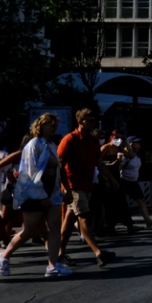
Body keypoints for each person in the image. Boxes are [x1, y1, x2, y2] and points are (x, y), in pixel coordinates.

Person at [0, 114, 70, 277]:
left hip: (53, 190)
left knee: (55, 226)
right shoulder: (33, 145)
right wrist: (41, 196)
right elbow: (30, 172)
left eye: (55, 125)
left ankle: (53, 265)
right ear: (41, 126)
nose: (54, 128)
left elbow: (57, 169)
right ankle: (4, 255)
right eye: (51, 125)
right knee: (29, 230)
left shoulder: (50, 144)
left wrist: (62, 191)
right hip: (33, 192)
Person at [57, 108, 118, 268]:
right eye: (89, 121)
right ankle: (98, 253)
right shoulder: (70, 139)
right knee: (84, 218)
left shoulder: (92, 141)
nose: (92, 124)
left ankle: (59, 253)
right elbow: (60, 165)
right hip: (73, 186)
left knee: (69, 222)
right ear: (80, 121)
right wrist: (66, 188)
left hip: (86, 185)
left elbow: (98, 162)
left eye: (93, 121)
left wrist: (110, 178)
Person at [118, 137, 152, 229]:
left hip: (133, 181)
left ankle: (148, 220)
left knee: (141, 200)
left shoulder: (137, 154)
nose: (139, 144)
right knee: (123, 202)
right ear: (130, 144)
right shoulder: (126, 155)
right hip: (125, 181)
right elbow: (120, 168)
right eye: (137, 142)